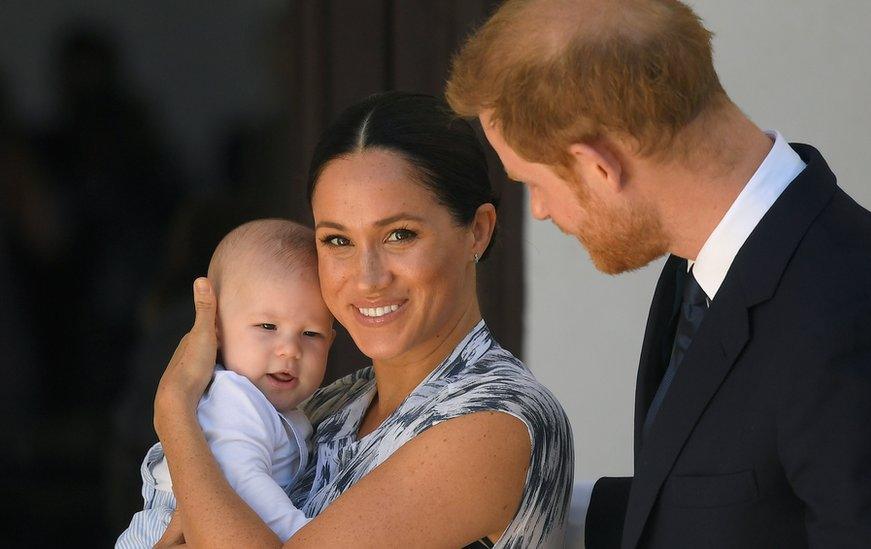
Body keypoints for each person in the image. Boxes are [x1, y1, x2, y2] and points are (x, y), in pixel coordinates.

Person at [446, 1, 871, 548]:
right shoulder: (710, 260)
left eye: (534, 182)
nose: (540, 210)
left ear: (600, 166)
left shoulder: (853, 328)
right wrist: (516, 505)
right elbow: (733, 506)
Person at [151, 92, 573, 548]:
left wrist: (175, 412)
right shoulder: (330, 406)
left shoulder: (497, 419)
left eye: (399, 235)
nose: (368, 278)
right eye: (337, 241)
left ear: (478, 230)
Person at [117, 219, 335, 546]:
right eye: (267, 326)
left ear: (331, 341)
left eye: (311, 334)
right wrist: (303, 536)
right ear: (216, 329)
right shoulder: (234, 399)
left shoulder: (284, 408)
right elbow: (244, 484)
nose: (290, 349)